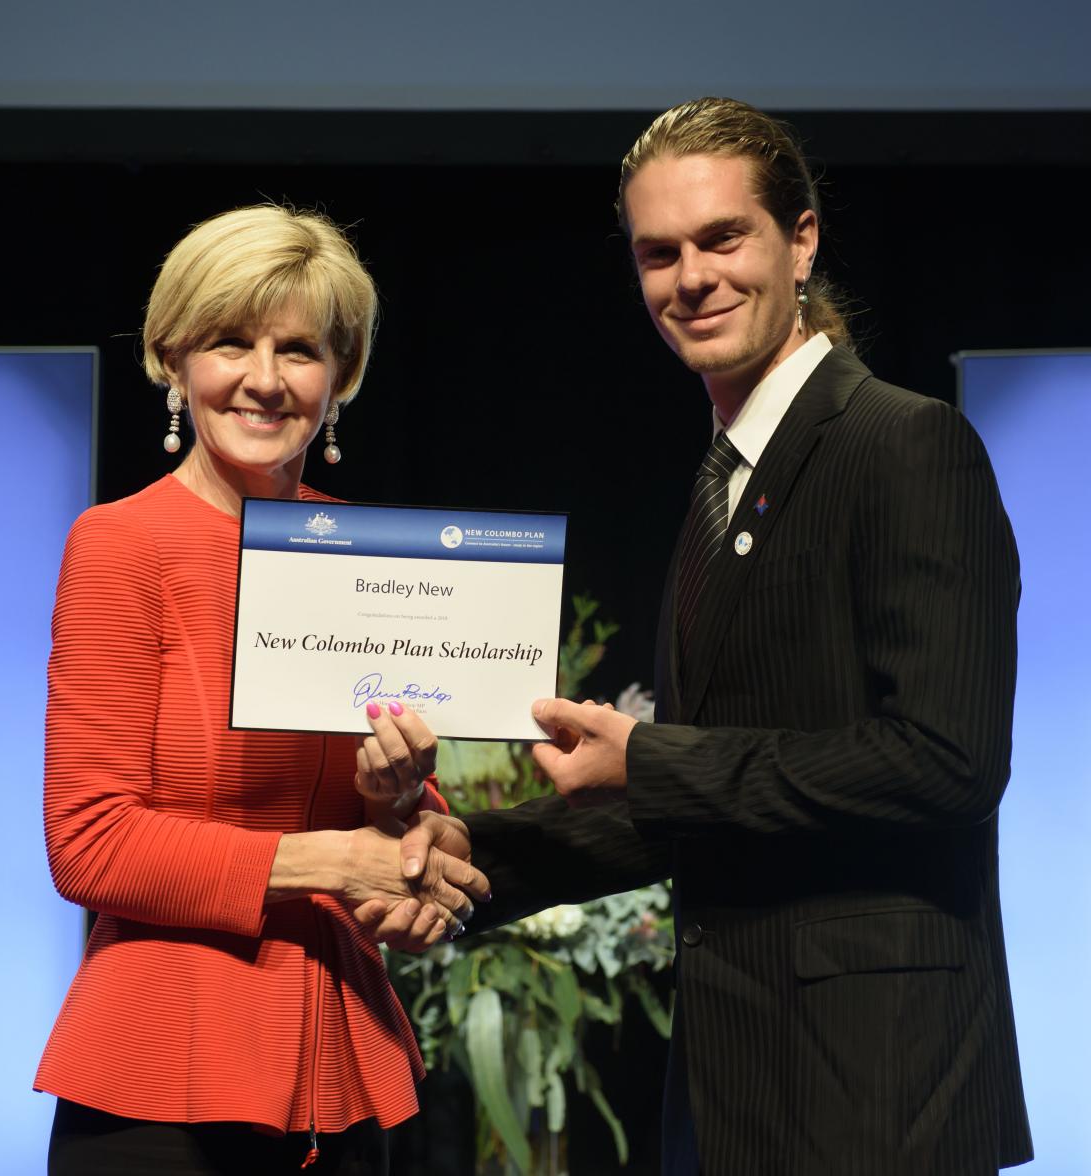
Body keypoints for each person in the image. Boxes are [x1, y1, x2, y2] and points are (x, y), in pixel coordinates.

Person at [392, 98, 1033, 1174]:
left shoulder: (907, 445)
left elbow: (948, 762)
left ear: (803, 238)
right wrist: (481, 861)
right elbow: (695, 797)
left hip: (881, 1086)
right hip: (741, 1082)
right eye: (659, 252)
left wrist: (648, 756)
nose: (691, 276)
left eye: (722, 238)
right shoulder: (718, 486)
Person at [35, 204, 487, 1176]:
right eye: (231, 342)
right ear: (172, 358)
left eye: (299, 349)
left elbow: (397, 836)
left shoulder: (369, 551)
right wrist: (341, 860)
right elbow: (90, 843)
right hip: (160, 1081)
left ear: (344, 374)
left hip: (344, 1071)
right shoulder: (120, 547)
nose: (265, 379)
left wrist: (400, 803)